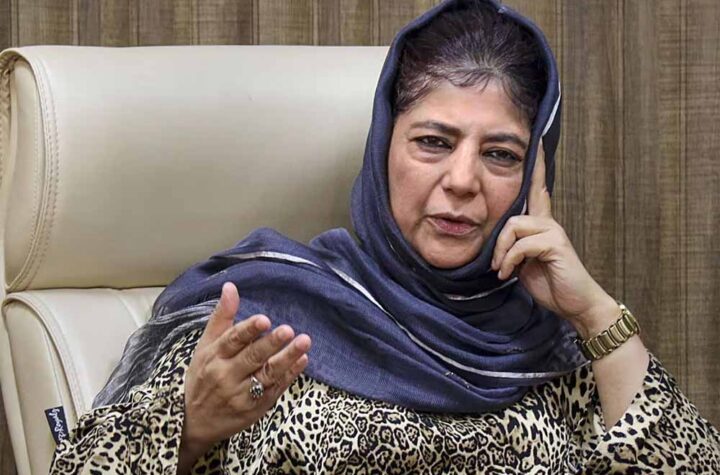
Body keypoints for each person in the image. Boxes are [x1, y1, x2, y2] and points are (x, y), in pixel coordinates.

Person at [51, 0, 720, 473]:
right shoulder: (264, 316)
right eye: (433, 142)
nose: (463, 181)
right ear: (383, 148)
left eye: (501, 155)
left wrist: (594, 313)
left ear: (533, 178)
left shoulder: (543, 348)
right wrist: (191, 430)